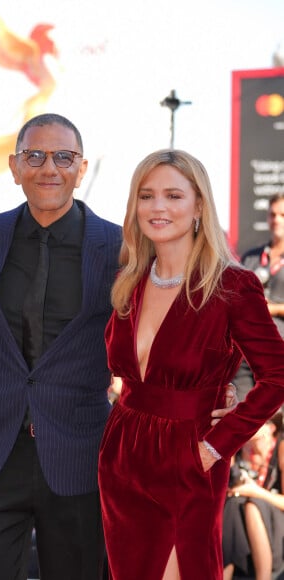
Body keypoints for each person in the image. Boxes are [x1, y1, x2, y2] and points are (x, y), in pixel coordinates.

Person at [98, 149, 284, 579]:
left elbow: (277, 375)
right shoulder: (131, 280)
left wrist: (219, 444)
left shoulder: (232, 285)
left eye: (173, 195)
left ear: (199, 205)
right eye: (146, 196)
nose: (157, 207)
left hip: (190, 453)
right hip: (123, 452)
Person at [0, 113, 121, 580]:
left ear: (81, 167)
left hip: (79, 450)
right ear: (14, 167)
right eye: (35, 155)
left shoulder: (119, 245)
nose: (49, 167)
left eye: (63, 156)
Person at [232, 193, 284, 402]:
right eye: (272, 215)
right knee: (242, 413)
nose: (277, 220)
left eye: (282, 214)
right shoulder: (251, 256)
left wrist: (274, 309)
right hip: (247, 350)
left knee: (273, 416)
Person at [223, 415, 284, 579]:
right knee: (234, 503)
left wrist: (255, 491)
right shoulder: (245, 450)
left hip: (277, 529)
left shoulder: (281, 446)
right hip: (250, 533)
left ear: (271, 428)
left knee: (252, 504)